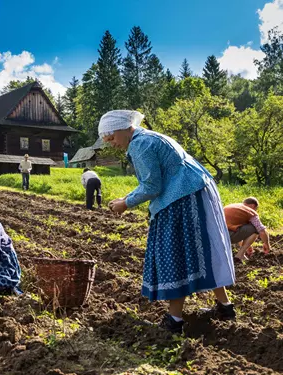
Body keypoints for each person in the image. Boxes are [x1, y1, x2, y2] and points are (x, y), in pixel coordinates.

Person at [100, 110, 236, 334]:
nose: (112, 144)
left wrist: (126, 204)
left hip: (182, 197)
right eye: (108, 141)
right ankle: (225, 307)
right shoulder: (150, 138)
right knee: (202, 251)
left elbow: (152, 187)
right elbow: (153, 181)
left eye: (112, 138)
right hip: (194, 190)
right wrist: (127, 197)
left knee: (173, 254)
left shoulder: (139, 145)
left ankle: (174, 321)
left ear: (124, 129)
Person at [224, 197, 271, 262]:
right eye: (256, 209)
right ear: (253, 206)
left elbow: (237, 228)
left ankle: (241, 253)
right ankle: (240, 255)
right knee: (255, 228)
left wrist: (246, 245)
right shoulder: (250, 211)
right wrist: (267, 244)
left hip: (218, 235)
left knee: (245, 227)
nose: (255, 211)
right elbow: (261, 230)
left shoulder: (232, 206)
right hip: (228, 236)